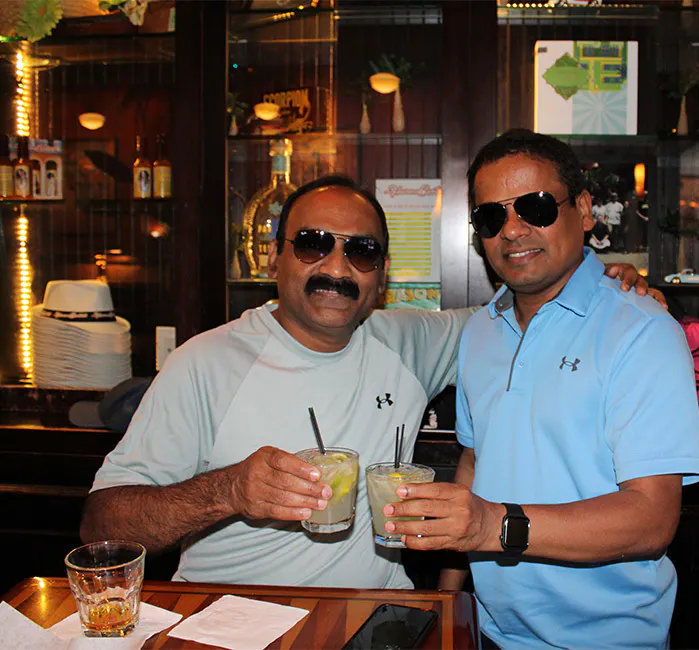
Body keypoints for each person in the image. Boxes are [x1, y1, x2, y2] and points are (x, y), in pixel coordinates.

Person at [80, 174, 652, 590]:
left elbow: (520, 307)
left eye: (362, 251)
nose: (336, 266)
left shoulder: (409, 341)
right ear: (275, 258)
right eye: (312, 243)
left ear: (381, 276)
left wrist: (600, 283)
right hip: (234, 619)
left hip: (372, 616)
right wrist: (226, 490)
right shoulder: (204, 362)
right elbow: (103, 526)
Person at [380, 130, 699, 649]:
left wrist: (495, 526)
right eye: (491, 216)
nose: (512, 230)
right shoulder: (481, 332)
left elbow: (652, 519)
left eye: (533, 206)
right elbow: (474, 460)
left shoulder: (642, 330)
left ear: (582, 208)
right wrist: (449, 599)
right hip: (489, 630)